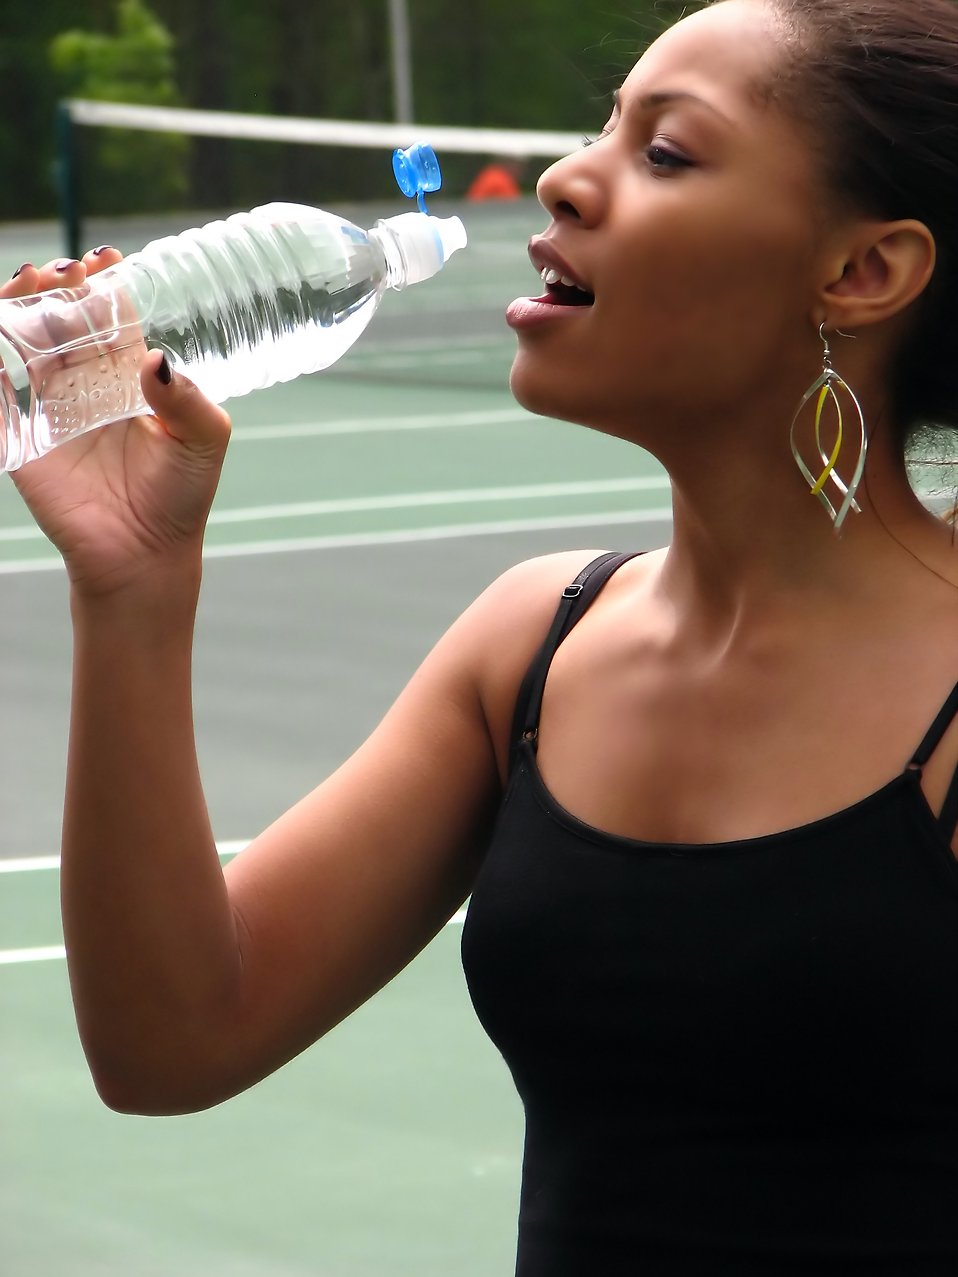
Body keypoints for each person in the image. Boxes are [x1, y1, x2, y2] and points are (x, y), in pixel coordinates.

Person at [3, 0, 958, 1270]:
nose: (565, 177)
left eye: (665, 151)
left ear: (861, 272)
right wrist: (133, 588)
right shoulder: (534, 645)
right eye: (601, 126)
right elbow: (170, 1037)